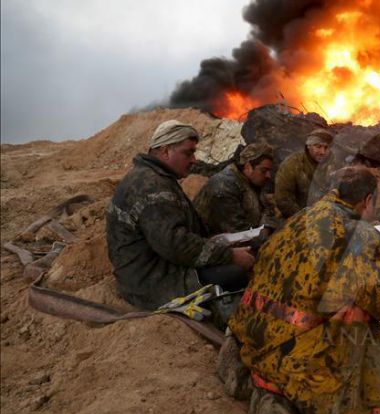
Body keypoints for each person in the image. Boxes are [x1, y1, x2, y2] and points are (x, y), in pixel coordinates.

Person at [227, 166, 380, 414]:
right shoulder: (358, 235)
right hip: (306, 356)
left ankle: (273, 397)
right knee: (364, 321)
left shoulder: (298, 218)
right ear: (366, 201)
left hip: (258, 338)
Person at [106, 120, 255, 310]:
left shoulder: (156, 177)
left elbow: (175, 232)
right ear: (166, 151)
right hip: (151, 282)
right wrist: (229, 255)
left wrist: (214, 242)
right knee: (234, 274)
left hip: (155, 267)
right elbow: (175, 244)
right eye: (188, 152)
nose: (194, 159)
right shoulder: (150, 185)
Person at [193, 142, 277, 235]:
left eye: (269, 171)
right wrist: (264, 231)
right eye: (264, 170)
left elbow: (267, 208)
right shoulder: (224, 186)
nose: (268, 175)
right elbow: (238, 233)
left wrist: (266, 226)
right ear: (248, 167)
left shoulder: (253, 180)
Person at [274, 128, 334, 217]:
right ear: (308, 146)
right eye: (318, 147)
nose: (323, 152)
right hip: (297, 217)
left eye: (326, 147)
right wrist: (304, 218)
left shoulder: (334, 164)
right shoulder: (292, 164)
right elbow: (283, 199)